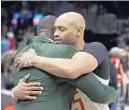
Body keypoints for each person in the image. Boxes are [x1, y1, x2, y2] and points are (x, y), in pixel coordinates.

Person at [13, 14, 116, 110]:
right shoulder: (55, 55)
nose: (56, 34)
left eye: (61, 29)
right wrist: (15, 92)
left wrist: (34, 59)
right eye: (55, 30)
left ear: (79, 31)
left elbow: (71, 69)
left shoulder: (94, 48)